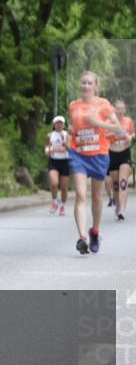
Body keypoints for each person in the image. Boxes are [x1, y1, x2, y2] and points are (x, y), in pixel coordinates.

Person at [67, 72, 123, 254]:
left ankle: (94, 231)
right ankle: (82, 238)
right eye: (83, 82)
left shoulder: (104, 104)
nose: (85, 86)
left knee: (97, 196)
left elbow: (118, 128)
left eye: (89, 83)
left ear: (95, 86)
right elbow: (72, 128)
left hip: (99, 154)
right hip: (78, 154)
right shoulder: (73, 105)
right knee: (81, 195)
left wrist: (97, 122)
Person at [107, 99, 134, 221]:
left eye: (122, 108)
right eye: (118, 108)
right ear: (114, 110)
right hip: (112, 153)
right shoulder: (109, 121)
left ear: (125, 110)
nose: (120, 111)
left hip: (124, 153)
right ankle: (117, 205)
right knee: (116, 185)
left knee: (123, 183)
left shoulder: (128, 121)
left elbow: (133, 134)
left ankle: (122, 210)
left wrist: (130, 137)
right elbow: (103, 135)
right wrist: (113, 133)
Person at [45, 115, 71, 216]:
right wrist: (47, 150)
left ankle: (63, 206)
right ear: (54, 124)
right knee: (54, 183)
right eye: (57, 123)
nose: (59, 125)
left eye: (61, 123)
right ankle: (54, 202)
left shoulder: (67, 135)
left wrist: (64, 142)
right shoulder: (50, 135)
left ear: (64, 125)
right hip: (54, 161)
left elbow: (70, 148)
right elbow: (47, 146)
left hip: (65, 161)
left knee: (64, 187)